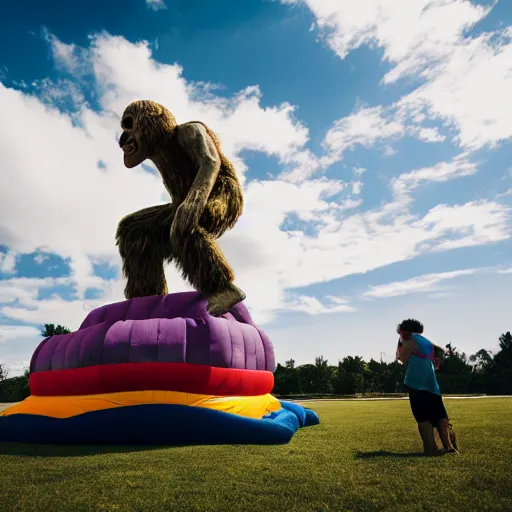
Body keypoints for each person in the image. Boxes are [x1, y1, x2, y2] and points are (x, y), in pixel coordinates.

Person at [395, 319, 458, 455]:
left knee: (423, 418)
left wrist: (399, 344)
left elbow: (402, 358)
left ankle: (430, 448)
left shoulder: (410, 340)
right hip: (431, 384)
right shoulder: (425, 341)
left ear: (405, 330)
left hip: (416, 383)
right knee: (440, 416)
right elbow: (440, 352)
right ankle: (448, 446)